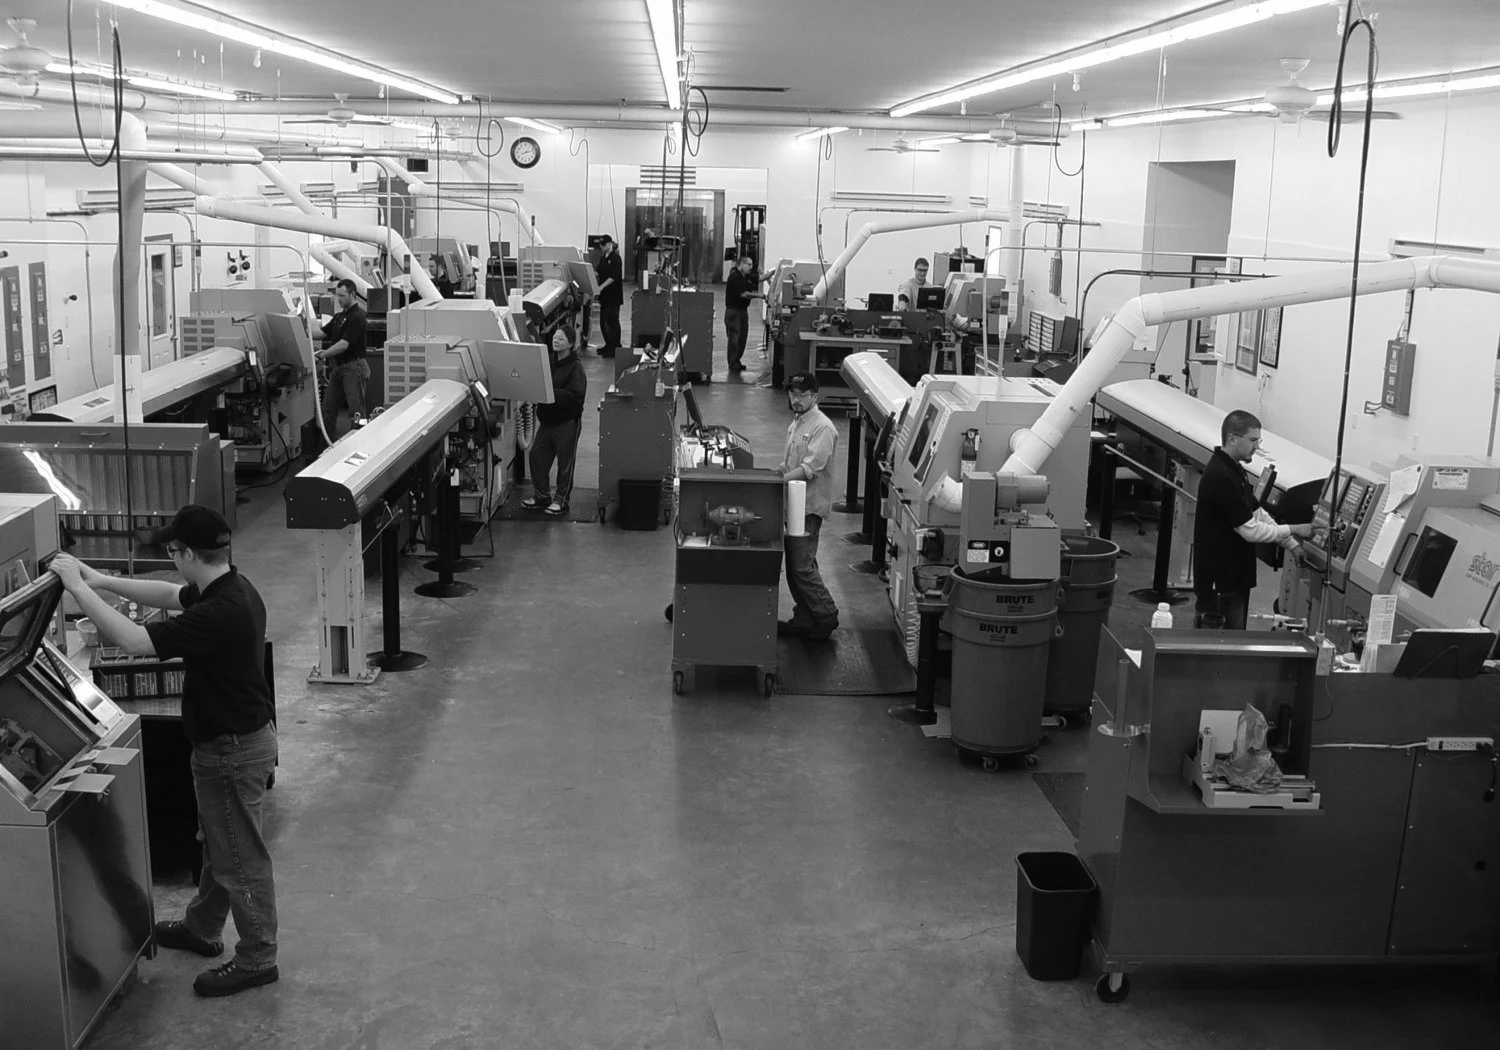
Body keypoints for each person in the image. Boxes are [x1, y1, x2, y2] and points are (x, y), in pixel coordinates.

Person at [49, 505, 279, 998]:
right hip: (234, 741)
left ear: (189, 553)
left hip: (231, 750)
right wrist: (104, 579)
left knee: (239, 857)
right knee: (221, 843)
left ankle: (259, 957)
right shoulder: (228, 587)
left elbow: (133, 641)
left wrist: (77, 587)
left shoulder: (219, 613)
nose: (171, 559)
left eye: (172, 550)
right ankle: (202, 928)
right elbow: (169, 595)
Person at [1193, 410, 1319, 629]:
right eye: (1253, 440)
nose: (1257, 447)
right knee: (1223, 646)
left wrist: (1292, 545)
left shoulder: (1235, 471)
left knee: (1236, 637)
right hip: (1220, 583)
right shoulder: (1221, 476)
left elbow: (1257, 512)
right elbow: (1250, 531)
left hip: (1234, 578)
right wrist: (1295, 528)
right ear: (1232, 438)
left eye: (1258, 441)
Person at [777, 372, 840, 640]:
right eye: (793, 393)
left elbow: (809, 468)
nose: (796, 399)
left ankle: (826, 615)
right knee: (795, 565)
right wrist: (774, 473)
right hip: (793, 503)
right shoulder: (797, 423)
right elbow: (790, 462)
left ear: (815, 396)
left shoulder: (822, 427)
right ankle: (804, 616)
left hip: (808, 507)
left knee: (802, 567)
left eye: (802, 394)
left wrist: (778, 481)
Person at [523, 325, 587, 516]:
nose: (556, 340)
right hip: (547, 421)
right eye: (555, 337)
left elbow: (576, 396)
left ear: (570, 343)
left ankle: (561, 500)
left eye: (561, 338)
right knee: (536, 455)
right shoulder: (548, 362)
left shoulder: (575, 368)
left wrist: (551, 393)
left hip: (566, 423)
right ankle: (542, 495)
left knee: (565, 464)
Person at [311, 278, 369, 438]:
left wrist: (323, 354)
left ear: (352, 294)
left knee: (356, 412)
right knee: (328, 410)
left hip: (353, 367)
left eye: (342, 296)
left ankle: (360, 442)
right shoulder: (338, 318)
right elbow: (320, 334)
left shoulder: (357, 317)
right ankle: (328, 447)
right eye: (338, 295)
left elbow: (344, 344)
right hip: (339, 368)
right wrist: (303, 321)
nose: (339, 299)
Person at [724, 253, 762, 374]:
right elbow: (744, 294)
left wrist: (771, 274)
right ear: (741, 265)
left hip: (742, 311)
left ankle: (736, 361)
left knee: (742, 338)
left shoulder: (744, 276)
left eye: (752, 264)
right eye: (749, 264)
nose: (751, 267)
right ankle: (733, 363)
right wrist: (761, 296)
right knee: (734, 339)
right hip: (734, 312)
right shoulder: (735, 276)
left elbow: (760, 278)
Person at [595, 236, 624, 358]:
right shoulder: (603, 258)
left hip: (613, 296)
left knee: (612, 323)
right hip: (604, 297)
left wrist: (600, 287)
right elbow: (598, 272)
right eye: (600, 245)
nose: (601, 247)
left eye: (603, 245)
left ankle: (615, 348)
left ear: (609, 244)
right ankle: (608, 345)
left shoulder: (616, 258)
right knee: (603, 323)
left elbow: (613, 277)